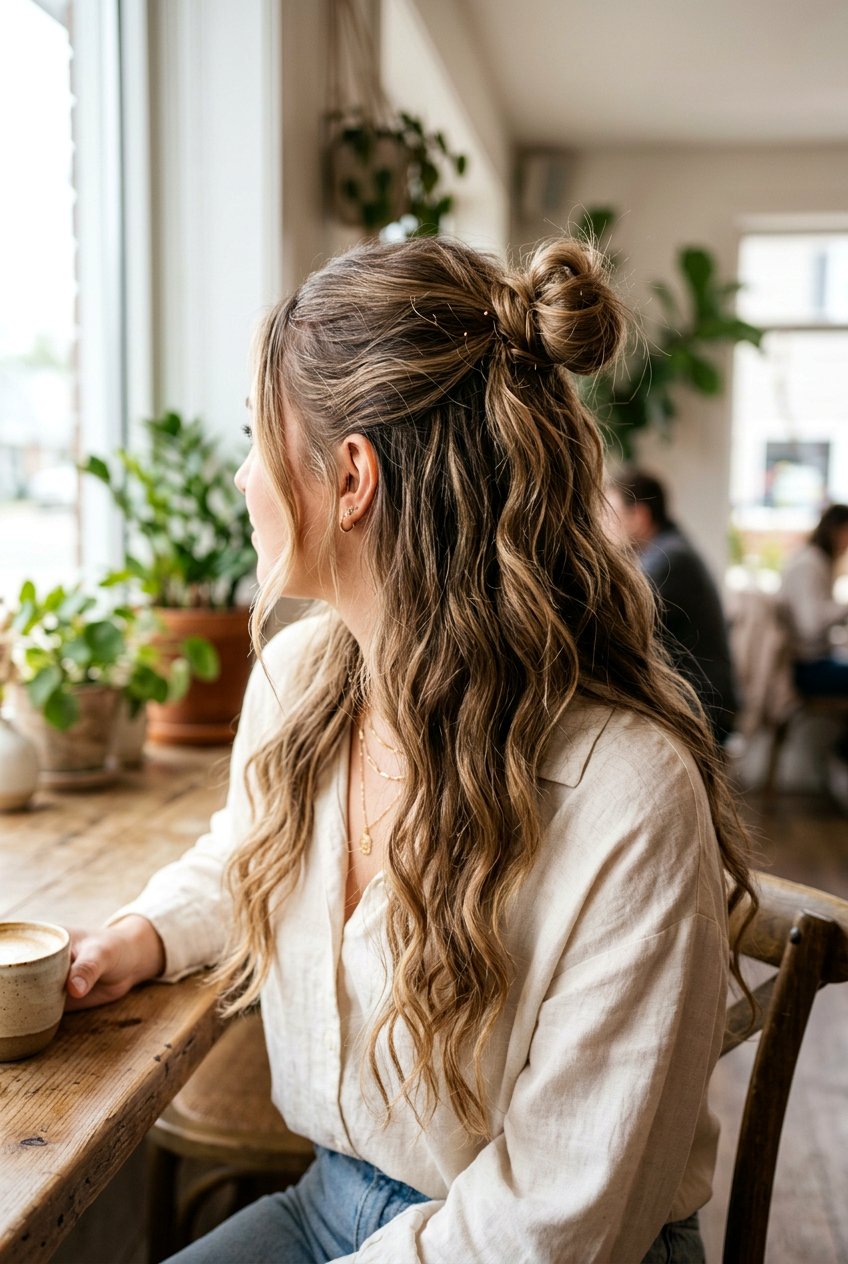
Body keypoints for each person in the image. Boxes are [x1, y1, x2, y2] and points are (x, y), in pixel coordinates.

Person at [64, 237, 755, 1264]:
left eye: (257, 438)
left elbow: (549, 1226)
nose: (246, 477)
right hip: (329, 1203)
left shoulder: (625, 794)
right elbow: (251, 849)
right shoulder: (299, 682)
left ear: (351, 477)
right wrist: (144, 934)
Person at [605, 469, 738, 745]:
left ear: (640, 516)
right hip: (698, 701)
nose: (605, 526)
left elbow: (613, 624)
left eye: (611, 515)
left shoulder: (667, 559)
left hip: (701, 709)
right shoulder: (670, 548)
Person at [780, 503, 848, 696]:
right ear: (835, 531)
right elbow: (810, 625)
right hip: (805, 666)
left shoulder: (817, 561)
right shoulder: (810, 564)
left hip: (815, 659)